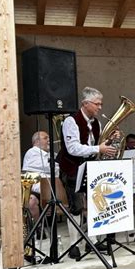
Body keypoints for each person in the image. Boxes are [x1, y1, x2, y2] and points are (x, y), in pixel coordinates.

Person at [57, 86, 117, 259]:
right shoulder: (71, 121)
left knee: (95, 203)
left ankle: (93, 241)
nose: (100, 107)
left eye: (100, 104)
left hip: (90, 167)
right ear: (85, 103)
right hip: (72, 167)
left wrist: (110, 140)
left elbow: (96, 145)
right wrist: (99, 147)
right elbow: (73, 148)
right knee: (76, 206)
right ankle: (74, 245)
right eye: (97, 104)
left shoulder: (96, 123)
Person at [22, 131, 59, 237]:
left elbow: (57, 170)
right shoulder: (32, 152)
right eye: (45, 138)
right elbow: (49, 167)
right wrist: (53, 165)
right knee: (31, 201)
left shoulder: (51, 154)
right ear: (37, 141)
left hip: (50, 187)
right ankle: (37, 228)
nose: (49, 140)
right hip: (34, 188)